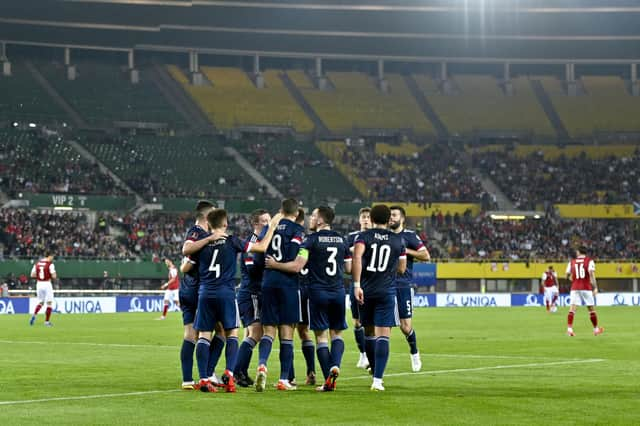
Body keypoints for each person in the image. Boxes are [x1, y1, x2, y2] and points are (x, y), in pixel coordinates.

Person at [193, 208, 281, 393]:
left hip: (205, 293)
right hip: (225, 293)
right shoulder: (232, 241)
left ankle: (203, 378)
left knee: (204, 336)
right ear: (225, 224)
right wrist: (272, 227)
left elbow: (186, 261)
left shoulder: (199, 244)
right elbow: (261, 247)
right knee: (232, 333)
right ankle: (230, 375)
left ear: (208, 224)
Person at [267, 206, 352, 392]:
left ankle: (328, 376)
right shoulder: (342, 240)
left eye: (313, 216)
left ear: (321, 220)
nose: (310, 219)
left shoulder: (310, 241)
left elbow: (298, 266)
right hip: (338, 292)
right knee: (336, 334)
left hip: (318, 292)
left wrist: (275, 264)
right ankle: (335, 364)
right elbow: (348, 268)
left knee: (321, 337)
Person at [352, 204, 406, 391]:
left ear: (372, 219)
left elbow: (357, 258)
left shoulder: (363, 237)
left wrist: (357, 285)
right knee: (383, 335)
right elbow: (401, 268)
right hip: (386, 291)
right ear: (388, 220)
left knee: (368, 333)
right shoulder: (398, 240)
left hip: (366, 290)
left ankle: (373, 367)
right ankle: (377, 380)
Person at [254, 198, 305, 392]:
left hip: (268, 282)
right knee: (287, 333)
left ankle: (262, 364)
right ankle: (284, 379)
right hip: (288, 284)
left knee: (268, 332)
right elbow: (294, 256)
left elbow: (258, 256)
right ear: (297, 213)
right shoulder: (297, 231)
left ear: (281, 210)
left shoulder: (269, 228)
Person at [177, 200, 215, 390]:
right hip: (198, 289)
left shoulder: (202, 234)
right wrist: (209, 239)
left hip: (188, 287)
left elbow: (186, 264)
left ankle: (187, 379)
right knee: (218, 330)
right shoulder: (198, 233)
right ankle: (208, 373)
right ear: (207, 217)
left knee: (191, 334)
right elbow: (187, 249)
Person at [389, 205, 430, 372]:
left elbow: (426, 256)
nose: (391, 218)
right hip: (384, 286)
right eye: (390, 215)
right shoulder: (383, 236)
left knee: (405, 327)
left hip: (403, 285)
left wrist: (406, 251)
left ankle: (414, 352)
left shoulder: (410, 236)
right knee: (383, 326)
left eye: (394, 215)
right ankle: (375, 362)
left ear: (402, 219)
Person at [233, 209, 271, 387]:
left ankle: (241, 372)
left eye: (269, 220)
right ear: (256, 224)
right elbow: (252, 269)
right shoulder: (252, 243)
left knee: (252, 333)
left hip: (256, 292)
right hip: (251, 293)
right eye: (264, 221)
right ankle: (235, 372)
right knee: (256, 332)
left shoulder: (263, 242)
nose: (268, 224)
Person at [291, 207, 316, 386]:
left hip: (294, 288)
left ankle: (289, 376)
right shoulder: (310, 240)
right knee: (304, 332)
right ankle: (311, 372)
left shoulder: (291, 239)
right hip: (310, 290)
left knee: (287, 333)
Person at [346, 207, 371, 369]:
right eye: (363, 217)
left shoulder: (377, 236)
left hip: (372, 283)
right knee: (357, 322)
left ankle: (371, 356)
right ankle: (362, 354)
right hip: (356, 282)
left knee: (371, 323)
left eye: (369, 217)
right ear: (359, 219)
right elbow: (344, 253)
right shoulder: (351, 237)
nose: (366, 219)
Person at [565, 246, 604, 337]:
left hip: (575, 287)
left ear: (578, 252)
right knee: (591, 309)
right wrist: (595, 287)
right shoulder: (589, 261)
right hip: (586, 287)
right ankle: (595, 329)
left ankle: (569, 329)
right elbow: (591, 274)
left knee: (572, 309)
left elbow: (567, 275)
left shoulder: (572, 262)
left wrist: (572, 278)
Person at [29, 254, 57, 327]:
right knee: (49, 303)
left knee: (40, 302)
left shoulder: (37, 264)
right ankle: (47, 322)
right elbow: (54, 276)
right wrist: (48, 275)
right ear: (49, 256)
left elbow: (32, 275)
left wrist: (39, 276)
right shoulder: (50, 264)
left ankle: (34, 315)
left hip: (39, 284)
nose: (52, 258)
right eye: (52, 256)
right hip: (47, 283)